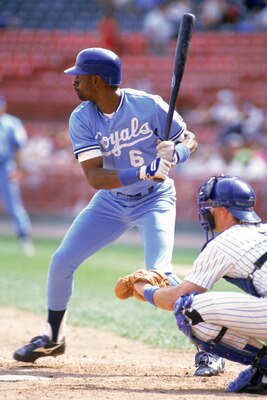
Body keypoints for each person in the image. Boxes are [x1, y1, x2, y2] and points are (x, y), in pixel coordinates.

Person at [12, 47, 202, 366]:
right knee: (61, 262)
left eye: (79, 78)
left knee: (160, 271)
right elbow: (96, 177)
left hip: (155, 199)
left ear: (97, 81)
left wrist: (177, 153)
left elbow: (190, 140)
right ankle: (53, 339)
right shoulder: (82, 117)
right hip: (110, 201)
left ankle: (207, 349)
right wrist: (143, 171)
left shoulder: (149, 105)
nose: (73, 83)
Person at [128, 174, 267, 394]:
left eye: (211, 205)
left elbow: (177, 298)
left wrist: (143, 288)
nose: (206, 211)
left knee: (188, 309)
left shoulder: (224, 242)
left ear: (224, 211)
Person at [0, 95, 34, 256]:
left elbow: (19, 148)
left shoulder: (12, 123)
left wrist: (19, 169)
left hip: (6, 167)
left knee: (13, 204)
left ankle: (24, 239)